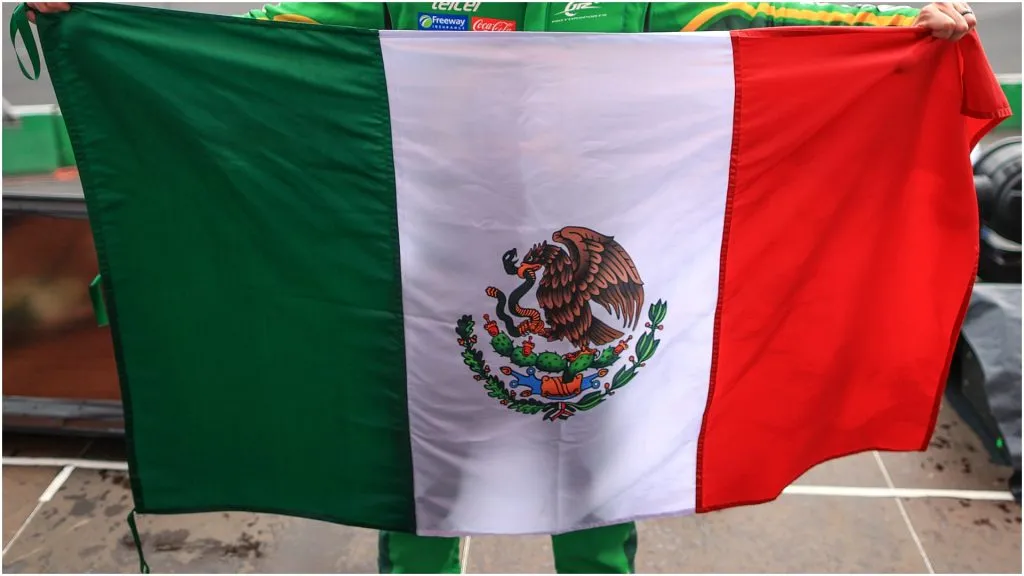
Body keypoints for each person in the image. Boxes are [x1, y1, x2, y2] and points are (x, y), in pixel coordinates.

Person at [24, 1, 978, 573]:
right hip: (433, 271)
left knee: (601, 466)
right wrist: (112, 32)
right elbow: (289, 32)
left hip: (611, 261)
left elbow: (747, 18)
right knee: (424, 466)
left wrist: (897, 25)